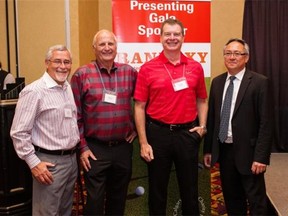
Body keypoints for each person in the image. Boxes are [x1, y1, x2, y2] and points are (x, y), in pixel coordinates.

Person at [134, 18, 208, 215]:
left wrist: (202, 126)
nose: (172, 38)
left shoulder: (195, 67)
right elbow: (139, 107)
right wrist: (143, 142)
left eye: (176, 34)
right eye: (168, 34)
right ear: (160, 37)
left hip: (187, 134)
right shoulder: (147, 68)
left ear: (183, 37)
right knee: (157, 191)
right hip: (157, 135)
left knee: (190, 190)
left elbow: (202, 99)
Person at [70, 29, 138, 215]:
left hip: (123, 147)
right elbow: (74, 115)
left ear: (116, 47)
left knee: (118, 198)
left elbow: (142, 103)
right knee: (95, 201)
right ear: (94, 48)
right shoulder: (81, 75)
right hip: (94, 149)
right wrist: (82, 147)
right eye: (102, 44)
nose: (107, 48)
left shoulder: (129, 72)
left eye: (110, 44)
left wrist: (137, 130)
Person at [203, 38, 274, 215]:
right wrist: (208, 150)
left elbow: (266, 123)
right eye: (228, 53)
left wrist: (261, 157)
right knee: (232, 198)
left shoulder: (260, 82)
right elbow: (213, 119)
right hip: (224, 150)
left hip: (250, 154)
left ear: (246, 57)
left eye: (237, 53)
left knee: (256, 200)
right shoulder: (218, 82)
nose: (232, 57)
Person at [10, 45, 80, 215]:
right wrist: (34, 163)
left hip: (71, 161)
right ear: (47, 63)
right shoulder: (34, 91)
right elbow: (18, 132)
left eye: (67, 62)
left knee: (65, 211)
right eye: (57, 61)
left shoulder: (67, 87)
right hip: (49, 164)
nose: (62, 66)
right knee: (46, 213)